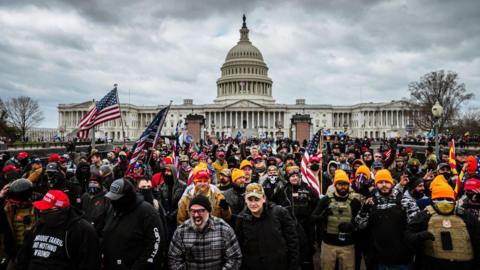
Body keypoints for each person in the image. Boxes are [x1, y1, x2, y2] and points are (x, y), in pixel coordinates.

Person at [16, 190, 101, 270]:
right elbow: (24, 256)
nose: (41, 211)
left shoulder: (82, 230)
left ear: (61, 210)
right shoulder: (39, 225)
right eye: (41, 209)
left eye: (47, 209)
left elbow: (90, 263)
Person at [405, 183, 478, 270]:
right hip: (432, 264)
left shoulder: (465, 215)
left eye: (448, 199)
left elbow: (477, 239)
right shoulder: (425, 215)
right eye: (440, 199)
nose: (445, 202)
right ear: (433, 200)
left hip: (464, 265)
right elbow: (408, 236)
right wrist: (420, 236)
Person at [354, 169, 413, 269]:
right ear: (376, 185)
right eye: (380, 182)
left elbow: (414, 225)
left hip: (401, 259)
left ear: (392, 184)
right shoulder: (371, 202)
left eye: (387, 182)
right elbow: (359, 225)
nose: (384, 185)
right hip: (379, 260)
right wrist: (364, 210)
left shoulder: (405, 200)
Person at [102, 178, 165, 270]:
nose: (113, 201)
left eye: (116, 198)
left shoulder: (147, 212)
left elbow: (156, 244)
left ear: (127, 197)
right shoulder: (113, 209)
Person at [235, 183, 300, 270]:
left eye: (257, 199)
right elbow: (239, 247)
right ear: (245, 200)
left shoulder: (279, 213)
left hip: (279, 265)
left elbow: (293, 242)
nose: (253, 203)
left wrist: (294, 266)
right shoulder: (241, 219)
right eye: (250, 200)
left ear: (264, 198)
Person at [168, 195, 242, 270]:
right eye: (193, 211)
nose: (196, 215)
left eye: (200, 211)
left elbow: (234, 258)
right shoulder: (181, 231)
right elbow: (174, 260)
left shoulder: (224, 229)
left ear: (208, 211)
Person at [312, 170, 361, 270]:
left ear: (349, 185)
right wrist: (322, 216)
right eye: (340, 184)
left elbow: (361, 222)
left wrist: (352, 226)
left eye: (345, 184)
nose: (343, 187)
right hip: (328, 244)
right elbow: (312, 218)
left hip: (348, 245)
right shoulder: (325, 200)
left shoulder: (355, 202)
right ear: (335, 185)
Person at [0, 179, 37, 269]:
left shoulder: (39, 206)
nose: (15, 204)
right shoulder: (8, 208)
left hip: (34, 252)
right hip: (15, 252)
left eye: (17, 202)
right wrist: (0, 198)